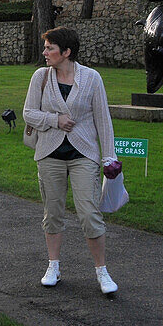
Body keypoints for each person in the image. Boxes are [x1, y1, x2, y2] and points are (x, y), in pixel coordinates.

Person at [23, 26, 119, 295]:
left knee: (89, 213)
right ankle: (53, 265)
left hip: (84, 155)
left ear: (66, 52)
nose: (45, 53)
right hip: (49, 154)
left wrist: (109, 157)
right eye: (46, 47)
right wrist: (55, 120)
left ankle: (102, 271)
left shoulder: (91, 78)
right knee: (52, 213)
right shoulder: (40, 77)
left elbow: (103, 119)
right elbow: (29, 113)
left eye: (50, 48)